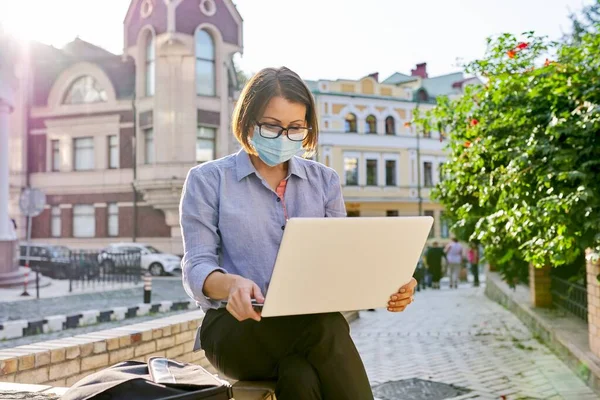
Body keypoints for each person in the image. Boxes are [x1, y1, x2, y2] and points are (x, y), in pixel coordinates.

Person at [180, 67, 418, 400]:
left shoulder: (325, 182)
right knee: (325, 327)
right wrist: (232, 283)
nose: (283, 137)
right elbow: (197, 265)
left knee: (300, 375)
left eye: (295, 128)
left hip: (306, 329)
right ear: (248, 123)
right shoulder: (208, 180)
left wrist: (390, 284)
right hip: (236, 328)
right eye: (272, 126)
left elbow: (342, 261)